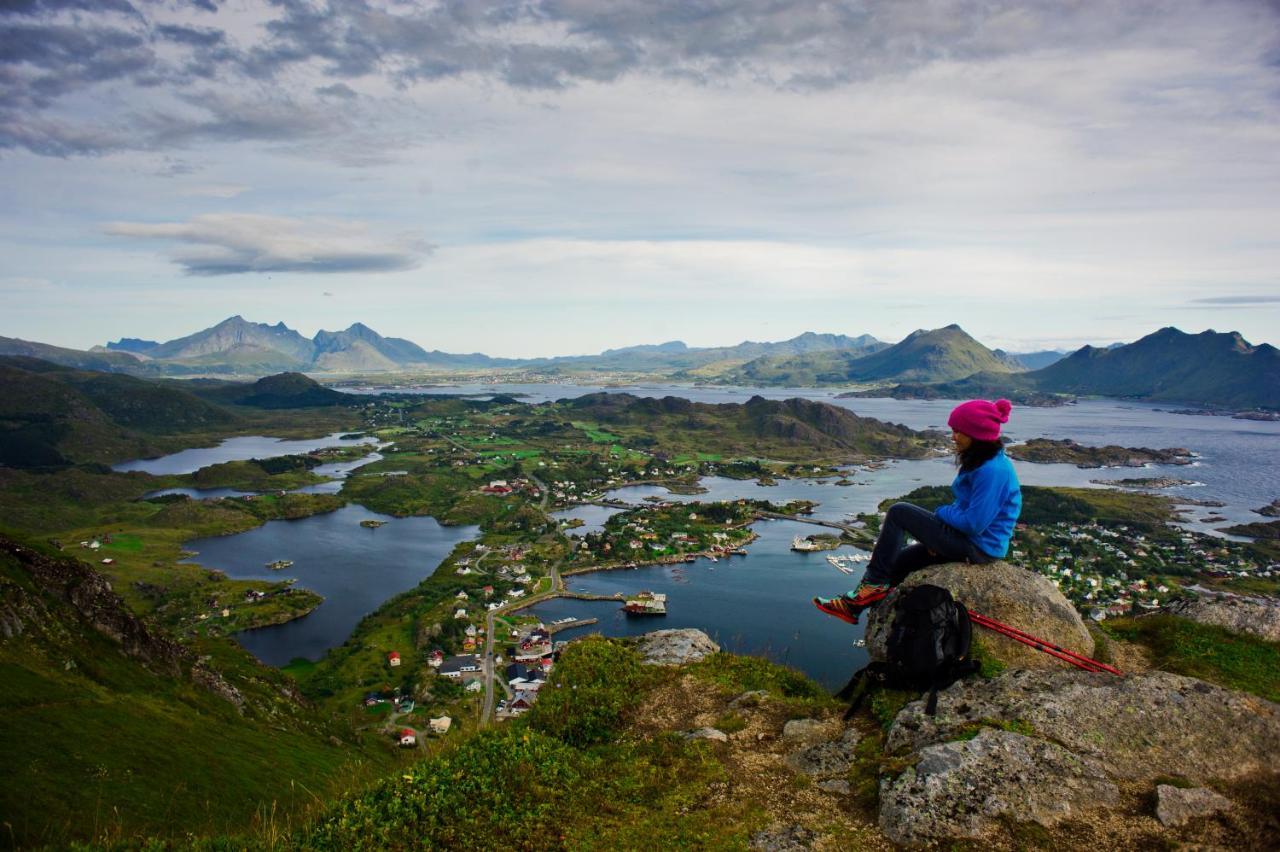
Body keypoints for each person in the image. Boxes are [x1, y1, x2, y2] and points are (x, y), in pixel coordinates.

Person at [814, 398, 1022, 625]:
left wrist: (941, 514)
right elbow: (965, 510)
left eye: (958, 431)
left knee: (899, 512)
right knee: (894, 564)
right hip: (968, 540)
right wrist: (939, 536)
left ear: (977, 434)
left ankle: (872, 587)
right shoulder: (983, 462)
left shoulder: (993, 471)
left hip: (979, 547)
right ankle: (855, 606)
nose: (953, 437)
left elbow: (974, 523)